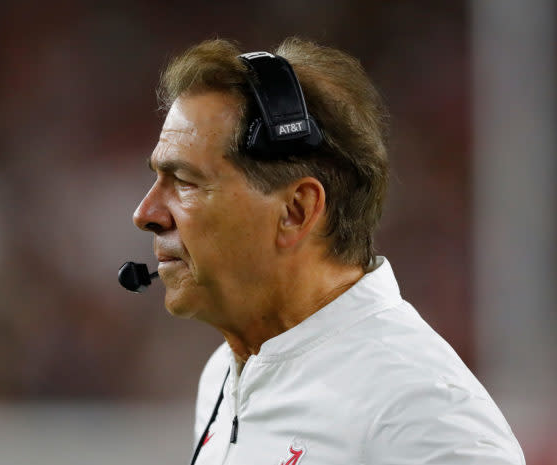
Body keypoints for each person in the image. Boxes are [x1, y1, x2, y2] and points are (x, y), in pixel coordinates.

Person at [130, 37, 525, 464]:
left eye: (185, 181)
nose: (146, 213)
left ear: (296, 211)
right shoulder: (224, 374)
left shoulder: (424, 417)